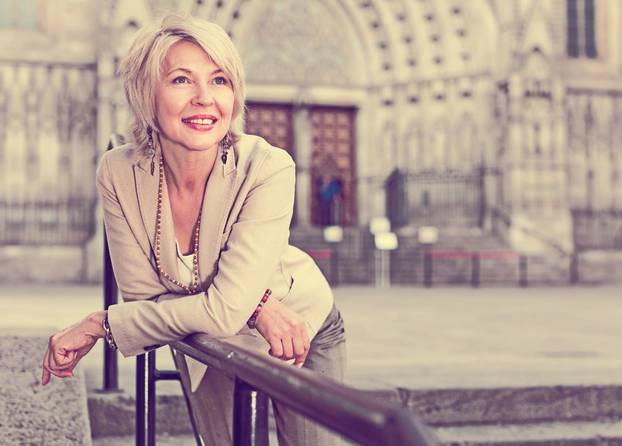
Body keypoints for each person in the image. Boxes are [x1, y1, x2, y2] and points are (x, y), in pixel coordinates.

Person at [40, 14, 346, 446]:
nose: (205, 98)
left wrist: (100, 324)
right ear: (148, 95)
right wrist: (249, 305)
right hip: (204, 336)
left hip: (298, 327)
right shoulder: (119, 170)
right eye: (182, 80)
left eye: (220, 80)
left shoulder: (268, 166)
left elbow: (202, 309)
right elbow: (145, 301)